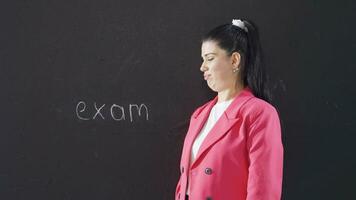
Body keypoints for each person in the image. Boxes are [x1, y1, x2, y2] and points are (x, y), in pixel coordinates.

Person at [174, 18, 284, 200]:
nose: (203, 67)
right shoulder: (199, 115)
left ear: (234, 60)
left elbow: (263, 190)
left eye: (210, 58)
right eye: (203, 59)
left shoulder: (259, 114)